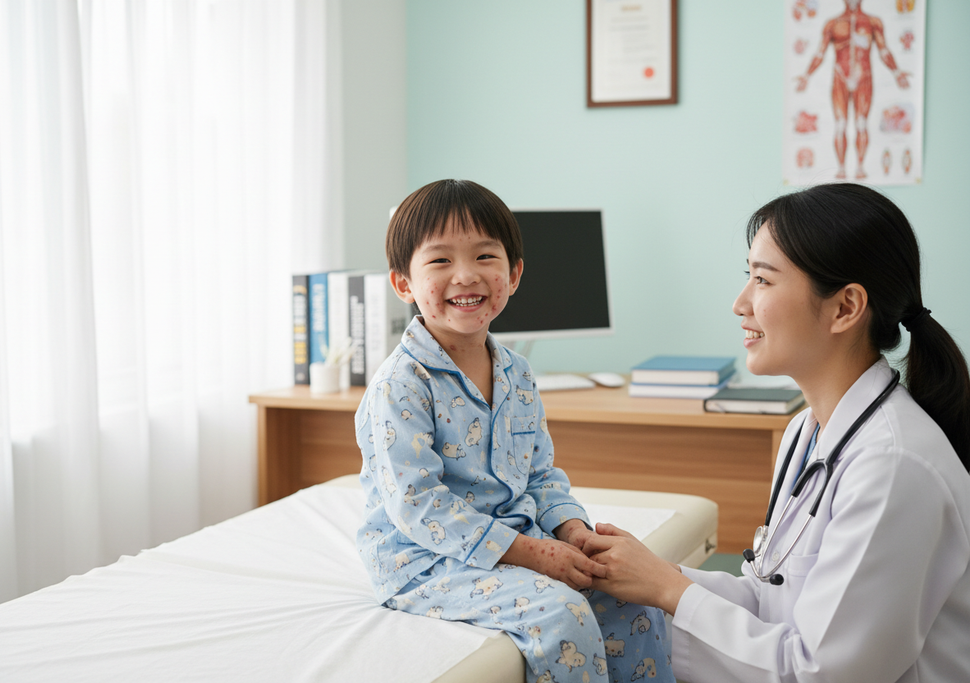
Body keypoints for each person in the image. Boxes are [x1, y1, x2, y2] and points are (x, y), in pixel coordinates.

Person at [584, 183, 970, 682]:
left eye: (763, 281)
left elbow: (821, 673)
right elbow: (773, 597)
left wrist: (668, 592)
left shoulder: (893, 466)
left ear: (846, 307)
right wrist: (654, 576)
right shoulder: (807, 431)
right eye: (748, 277)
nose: (740, 303)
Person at [355, 179, 673, 683]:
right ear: (404, 284)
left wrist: (573, 531)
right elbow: (418, 505)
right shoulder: (401, 384)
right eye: (439, 261)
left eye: (485, 256)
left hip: (519, 539)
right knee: (561, 615)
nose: (465, 275)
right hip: (425, 562)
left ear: (515, 273)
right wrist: (533, 554)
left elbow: (540, 475)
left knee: (630, 597)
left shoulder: (517, 373)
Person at [796, 0, 910, 179]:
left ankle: (860, 167)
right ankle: (841, 168)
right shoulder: (833, 23)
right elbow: (820, 53)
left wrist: (896, 72)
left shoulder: (873, 22)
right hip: (840, 77)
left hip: (863, 78)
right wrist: (807, 75)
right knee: (840, 125)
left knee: (861, 124)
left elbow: (884, 51)